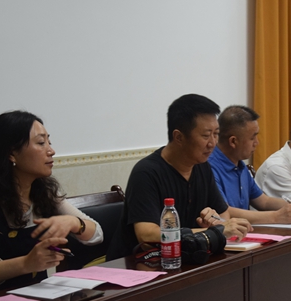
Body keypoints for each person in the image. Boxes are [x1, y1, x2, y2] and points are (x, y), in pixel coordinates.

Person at [0, 111, 103, 290]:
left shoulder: (43, 192)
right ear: (12, 153)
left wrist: (74, 223)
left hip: (39, 297)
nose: (51, 151)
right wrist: (26, 263)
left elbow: (97, 235)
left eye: (49, 142)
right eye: (41, 143)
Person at [107, 94, 252, 260]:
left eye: (216, 134)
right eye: (206, 135)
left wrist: (214, 221)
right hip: (137, 265)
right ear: (179, 137)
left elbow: (224, 215)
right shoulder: (146, 173)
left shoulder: (202, 166)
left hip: (184, 259)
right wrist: (211, 232)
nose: (212, 143)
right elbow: (147, 235)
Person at [208, 106, 291, 224]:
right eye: (252, 137)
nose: (257, 142)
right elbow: (224, 212)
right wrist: (275, 217)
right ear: (233, 141)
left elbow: (264, 202)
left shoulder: (239, 164)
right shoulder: (209, 168)